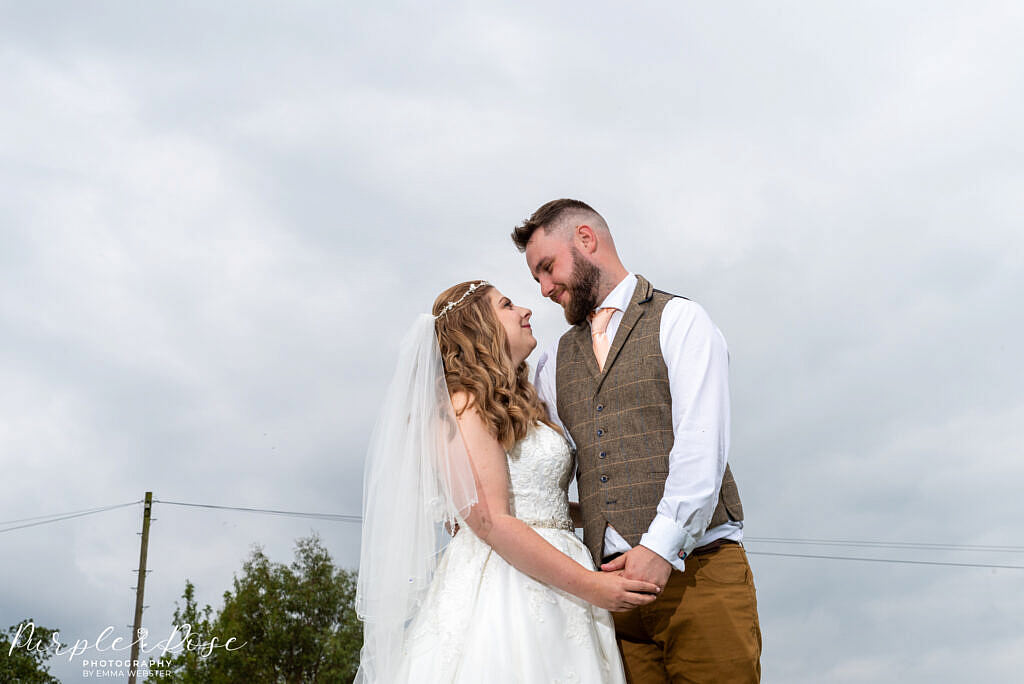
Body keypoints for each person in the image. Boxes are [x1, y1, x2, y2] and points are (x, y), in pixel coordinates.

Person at [355, 280, 662, 684]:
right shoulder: (461, 404)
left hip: (561, 581)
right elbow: (490, 521)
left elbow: (535, 500)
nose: (526, 310)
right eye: (507, 304)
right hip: (507, 583)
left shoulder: (517, 403)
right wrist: (592, 585)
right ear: (479, 326)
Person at [513, 199, 762, 683]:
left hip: (701, 577)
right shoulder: (554, 362)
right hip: (613, 603)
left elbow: (701, 444)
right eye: (536, 279)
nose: (544, 289)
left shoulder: (680, 320)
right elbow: (540, 457)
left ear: (586, 240)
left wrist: (661, 547)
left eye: (548, 268)